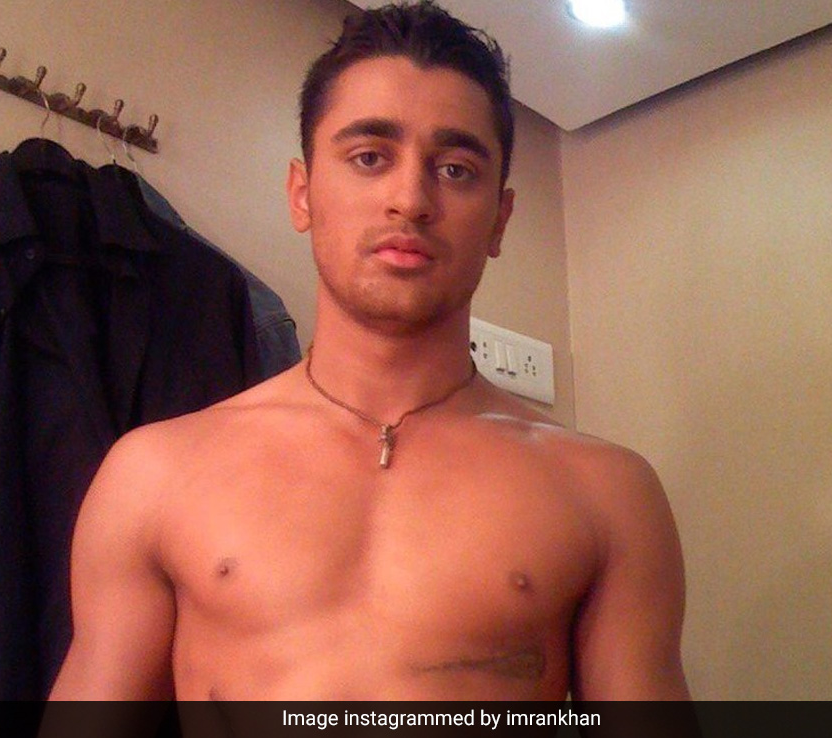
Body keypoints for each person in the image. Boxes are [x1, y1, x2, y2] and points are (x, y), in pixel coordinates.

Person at [48, 0, 690, 704]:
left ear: (499, 220)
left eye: (455, 169)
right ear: (302, 194)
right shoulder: (153, 475)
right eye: (369, 157)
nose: (410, 199)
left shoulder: (606, 493)